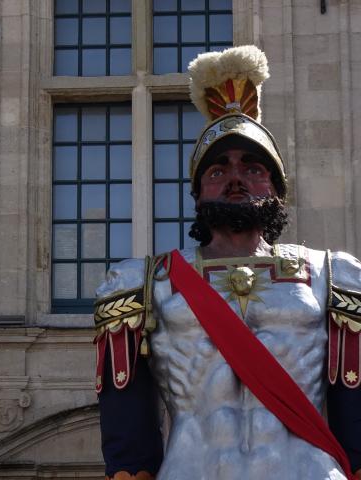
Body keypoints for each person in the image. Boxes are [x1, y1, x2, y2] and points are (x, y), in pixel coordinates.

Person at [93, 46, 361, 480]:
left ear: (277, 189)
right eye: (217, 170)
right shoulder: (142, 284)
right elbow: (128, 436)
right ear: (197, 193)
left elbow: (356, 417)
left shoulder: (333, 276)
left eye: (253, 167)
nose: (236, 176)